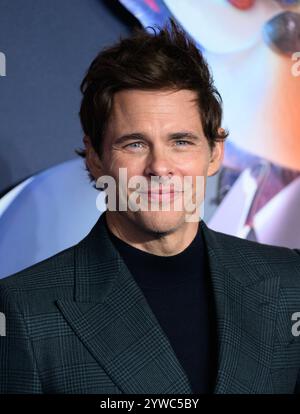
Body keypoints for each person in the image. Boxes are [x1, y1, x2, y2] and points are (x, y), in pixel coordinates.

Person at [0, 19, 300, 395]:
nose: (160, 167)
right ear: (94, 158)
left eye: (181, 142)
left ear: (214, 153)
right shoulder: (26, 311)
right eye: (135, 144)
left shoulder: (290, 282)